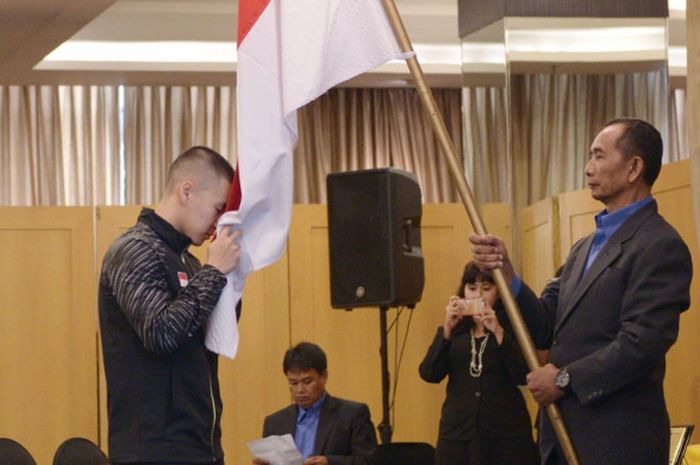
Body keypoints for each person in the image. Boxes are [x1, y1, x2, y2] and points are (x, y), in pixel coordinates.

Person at [470, 118, 693, 465]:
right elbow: (545, 324)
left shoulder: (660, 245)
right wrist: (507, 274)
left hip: (617, 444)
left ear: (634, 167)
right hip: (559, 438)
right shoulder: (583, 248)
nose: (588, 169)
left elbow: (642, 343)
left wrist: (563, 378)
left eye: (599, 157)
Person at [99, 146, 242, 465]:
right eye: (219, 209)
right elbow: (161, 333)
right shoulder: (133, 250)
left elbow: (214, 335)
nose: (218, 224)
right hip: (154, 451)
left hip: (200, 446)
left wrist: (232, 280)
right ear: (187, 191)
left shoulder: (191, 263)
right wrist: (215, 271)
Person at [419, 261, 539, 465]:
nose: (478, 296)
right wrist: (446, 330)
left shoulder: (511, 326)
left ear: (499, 292)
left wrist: (498, 332)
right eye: (471, 288)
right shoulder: (454, 330)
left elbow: (523, 376)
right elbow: (429, 373)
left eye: (487, 288)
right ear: (463, 290)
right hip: (459, 433)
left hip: (505, 433)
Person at [253, 342, 377, 465]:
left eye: (307, 381)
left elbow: (369, 461)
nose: (300, 390)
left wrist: (330, 462)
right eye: (293, 383)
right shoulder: (274, 423)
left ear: (324, 376)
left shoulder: (352, 415)